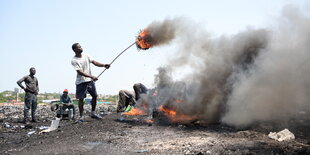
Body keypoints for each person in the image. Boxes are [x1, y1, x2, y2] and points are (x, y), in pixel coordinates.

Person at [71, 43, 110, 122]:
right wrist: (91, 76)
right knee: (81, 99)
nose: (81, 48)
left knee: (95, 96)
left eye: (81, 46)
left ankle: (93, 113)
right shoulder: (74, 60)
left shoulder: (86, 56)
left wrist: (104, 65)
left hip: (89, 81)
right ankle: (81, 117)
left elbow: (95, 62)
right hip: (81, 82)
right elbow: (80, 72)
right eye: (79, 47)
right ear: (75, 50)